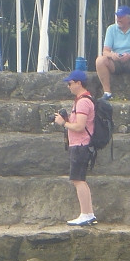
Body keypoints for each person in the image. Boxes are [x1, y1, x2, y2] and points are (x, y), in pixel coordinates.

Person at [52, 69, 97, 226]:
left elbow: (79, 126)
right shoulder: (81, 100)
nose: (68, 86)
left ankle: (86, 214)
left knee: (78, 180)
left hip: (81, 145)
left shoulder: (83, 101)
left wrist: (63, 123)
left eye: (70, 83)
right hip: (79, 145)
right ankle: (88, 213)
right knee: (78, 179)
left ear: (79, 83)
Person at [94, 5, 130, 101]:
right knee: (100, 60)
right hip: (116, 60)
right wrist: (113, 55)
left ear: (129, 18)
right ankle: (107, 92)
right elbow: (105, 51)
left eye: (121, 17)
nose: (118, 19)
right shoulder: (111, 29)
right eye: (117, 16)